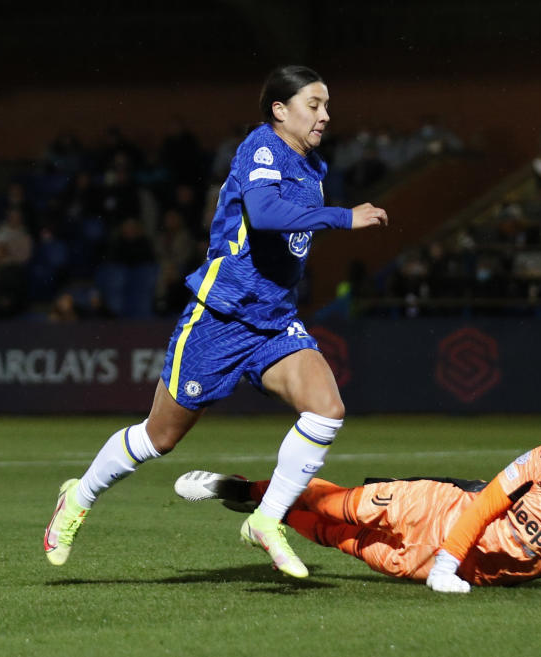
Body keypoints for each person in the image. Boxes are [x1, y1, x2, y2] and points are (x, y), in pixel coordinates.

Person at [44, 65, 389, 578]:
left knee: (326, 409)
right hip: (220, 319)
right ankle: (77, 497)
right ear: (280, 110)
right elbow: (267, 213)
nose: (325, 115)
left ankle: (266, 521)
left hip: (272, 320)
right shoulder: (262, 148)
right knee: (158, 439)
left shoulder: (311, 166)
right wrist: (344, 216)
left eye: (327, 105)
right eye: (314, 104)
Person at [173, 418, 541, 592]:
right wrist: (445, 561)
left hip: (459, 567)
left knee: (331, 538)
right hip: (437, 510)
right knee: (342, 506)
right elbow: (487, 502)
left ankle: (256, 507)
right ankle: (244, 491)